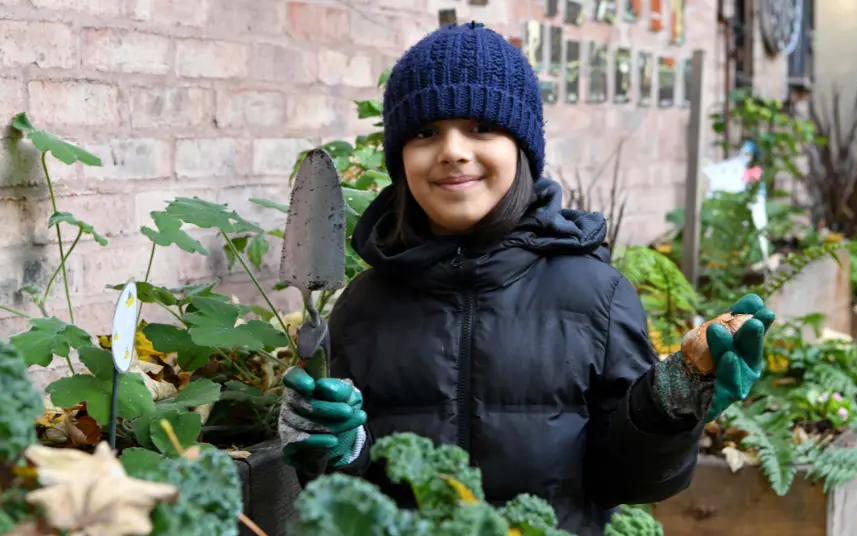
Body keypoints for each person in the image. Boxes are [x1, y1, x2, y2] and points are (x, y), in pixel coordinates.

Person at [277, 21, 775, 535]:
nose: (451, 150)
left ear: (522, 147)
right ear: (400, 159)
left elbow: (627, 480)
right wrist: (338, 450)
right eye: (425, 133)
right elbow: (351, 493)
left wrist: (667, 405)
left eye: (480, 128)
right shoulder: (363, 307)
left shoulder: (596, 296)